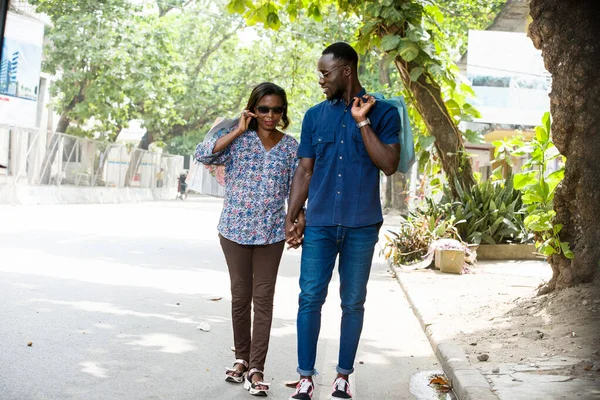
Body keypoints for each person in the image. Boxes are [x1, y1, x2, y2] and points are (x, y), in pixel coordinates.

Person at [285, 42, 401, 400]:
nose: (321, 79)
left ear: (346, 70)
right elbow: (305, 170)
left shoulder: (383, 113)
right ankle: (305, 377)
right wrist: (292, 215)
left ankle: (343, 377)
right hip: (319, 223)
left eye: (326, 73)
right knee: (309, 299)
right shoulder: (315, 115)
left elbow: (389, 164)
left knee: (352, 302)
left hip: (361, 224)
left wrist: (362, 121)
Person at [195, 82, 301, 397]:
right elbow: (204, 154)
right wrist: (238, 130)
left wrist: (297, 218)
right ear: (253, 110)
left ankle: (257, 368)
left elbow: (299, 185)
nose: (270, 115)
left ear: (283, 113)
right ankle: (240, 359)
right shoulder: (239, 141)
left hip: (271, 233)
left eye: (277, 109)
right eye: (264, 109)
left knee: (263, 299)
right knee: (240, 297)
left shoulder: (291, 146)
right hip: (234, 230)